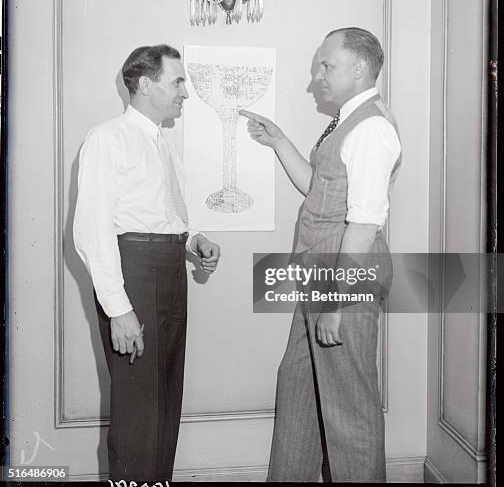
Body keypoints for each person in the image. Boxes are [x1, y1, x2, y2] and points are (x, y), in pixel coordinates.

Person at [240, 27, 401, 482]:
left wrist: (336, 301)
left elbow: (365, 223)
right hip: (318, 273)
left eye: (327, 65)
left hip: (341, 282)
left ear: (360, 68)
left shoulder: (371, 128)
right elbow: (320, 189)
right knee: (298, 388)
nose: (317, 76)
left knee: (349, 409)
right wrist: (280, 143)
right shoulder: (350, 120)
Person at [73, 44, 221, 482]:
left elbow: (161, 211)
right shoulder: (107, 138)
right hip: (132, 271)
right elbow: (93, 230)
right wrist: (119, 309)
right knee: (138, 407)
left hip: (171, 269)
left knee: (165, 398)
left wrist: (193, 239)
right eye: (177, 81)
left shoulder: (163, 141)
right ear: (144, 84)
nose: (185, 93)